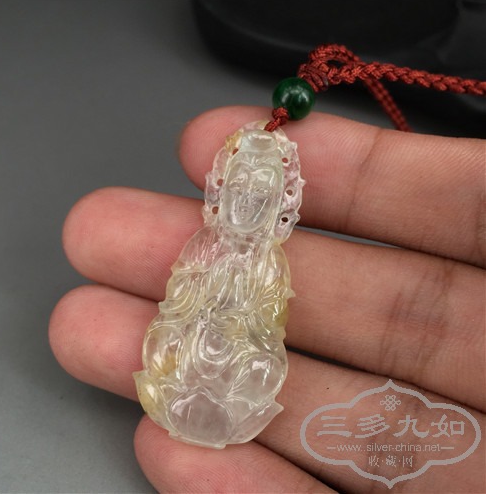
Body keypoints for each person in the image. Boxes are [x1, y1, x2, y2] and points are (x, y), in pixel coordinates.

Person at [49, 106, 485, 492]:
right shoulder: (207, 242)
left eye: (260, 195)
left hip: (241, 343)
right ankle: (182, 397)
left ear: (279, 202)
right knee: (166, 339)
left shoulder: (269, 259)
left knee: (262, 365)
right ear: (222, 194)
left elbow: (270, 319)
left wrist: (240, 323)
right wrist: (196, 312)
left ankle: (223, 408)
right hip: (197, 331)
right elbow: (178, 297)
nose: (247, 202)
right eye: (239, 190)